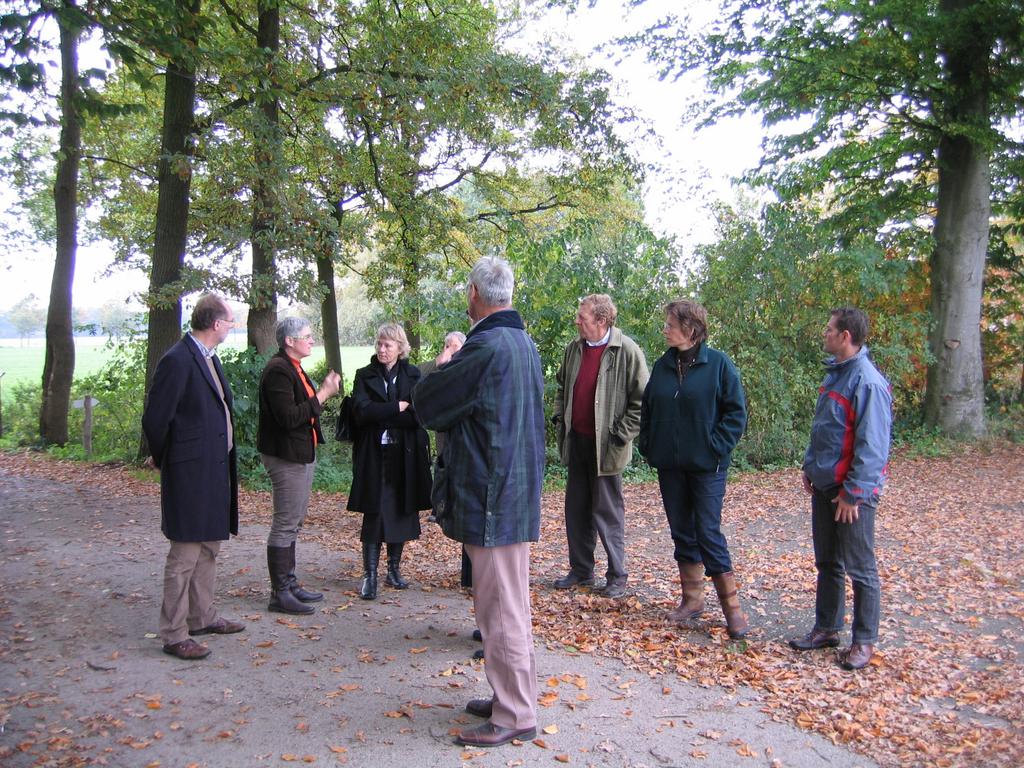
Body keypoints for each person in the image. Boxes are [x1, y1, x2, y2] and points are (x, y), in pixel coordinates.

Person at [413, 256, 545, 748]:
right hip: (509, 491)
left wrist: (441, 365)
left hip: (495, 496)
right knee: (509, 604)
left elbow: (429, 404)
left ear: (474, 294)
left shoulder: (485, 347)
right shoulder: (521, 342)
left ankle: (514, 714)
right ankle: (511, 696)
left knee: (501, 609)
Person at [637, 299, 749, 639]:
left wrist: (714, 447)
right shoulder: (662, 366)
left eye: (670, 324)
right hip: (670, 466)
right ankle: (692, 600)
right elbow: (649, 410)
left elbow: (735, 414)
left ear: (691, 329)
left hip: (707, 467)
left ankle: (733, 611)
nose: (665, 329)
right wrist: (649, 445)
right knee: (682, 531)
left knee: (708, 532)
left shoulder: (718, 365)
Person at [142, 294, 245, 661]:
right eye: (230, 321)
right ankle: (173, 633)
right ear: (216, 324)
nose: (232, 326)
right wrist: (164, 457)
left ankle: (202, 616)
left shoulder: (208, 357)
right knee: (184, 551)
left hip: (213, 470)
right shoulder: (178, 359)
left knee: (208, 548)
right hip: (189, 470)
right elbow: (156, 418)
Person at [789, 307, 892, 671]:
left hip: (851, 494)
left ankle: (864, 642)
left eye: (829, 328)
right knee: (828, 562)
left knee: (861, 568)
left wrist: (853, 494)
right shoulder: (836, 375)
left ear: (845, 336)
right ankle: (827, 628)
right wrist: (809, 467)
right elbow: (824, 429)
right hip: (824, 485)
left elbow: (873, 447)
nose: (824, 333)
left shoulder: (867, 382)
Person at [552, 294, 648, 599]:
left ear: (602, 320)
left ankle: (617, 575)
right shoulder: (573, 349)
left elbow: (643, 401)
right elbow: (561, 386)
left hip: (607, 446)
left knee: (607, 512)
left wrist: (621, 434)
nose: (577, 321)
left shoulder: (626, 350)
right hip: (577, 441)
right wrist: (559, 417)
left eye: (583, 317)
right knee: (576, 510)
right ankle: (581, 570)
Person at [257, 318, 342, 615]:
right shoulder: (278, 371)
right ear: (289, 341)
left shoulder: (292, 367)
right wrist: (324, 393)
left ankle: (289, 584)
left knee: (294, 520)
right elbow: (289, 418)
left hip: (300, 453)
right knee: (285, 522)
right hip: (285, 456)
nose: (312, 340)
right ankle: (279, 593)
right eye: (306, 336)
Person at [346, 323, 432, 600]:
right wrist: (396, 407)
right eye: (379, 344)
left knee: (401, 511)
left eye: (388, 345)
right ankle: (369, 575)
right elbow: (360, 413)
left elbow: (418, 416)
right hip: (373, 454)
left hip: (405, 455)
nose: (382, 350)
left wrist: (378, 413)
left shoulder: (413, 375)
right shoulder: (364, 375)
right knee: (375, 513)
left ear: (400, 347)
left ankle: (393, 569)